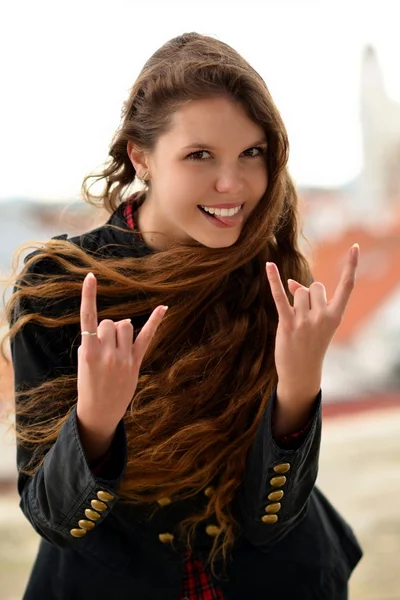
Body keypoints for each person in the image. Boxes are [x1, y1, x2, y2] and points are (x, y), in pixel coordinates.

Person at [3, 32, 362, 600]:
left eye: (252, 152)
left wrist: (299, 386)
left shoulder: (269, 270)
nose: (233, 183)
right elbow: (56, 521)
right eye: (200, 155)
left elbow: (272, 520)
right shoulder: (60, 287)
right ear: (140, 156)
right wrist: (96, 421)